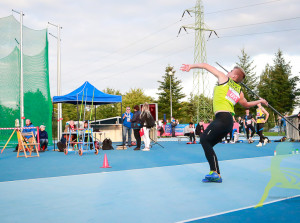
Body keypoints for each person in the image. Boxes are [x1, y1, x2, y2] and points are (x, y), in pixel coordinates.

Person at [181, 63, 268, 183]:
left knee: (204, 140)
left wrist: (191, 66)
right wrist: (260, 101)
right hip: (228, 122)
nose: (229, 71)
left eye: (231, 70)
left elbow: (206, 66)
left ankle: (215, 172)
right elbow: (246, 104)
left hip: (222, 118)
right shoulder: (239, 91)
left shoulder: (224, 78)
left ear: (234, 77)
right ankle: (215, 172)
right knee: (207, 143)